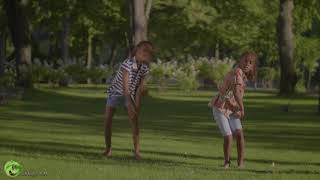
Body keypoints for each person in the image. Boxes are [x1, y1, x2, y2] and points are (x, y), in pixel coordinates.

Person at [103, 41, 154, 160]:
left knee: (134, 122)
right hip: (116, 92)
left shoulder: (144, 69)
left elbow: (139, 89)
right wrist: (129, 103)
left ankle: (137, 152)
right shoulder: (127, 63)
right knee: (107, 121)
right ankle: (108, 149)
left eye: (148, 53)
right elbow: (125, 87)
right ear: (137, 50)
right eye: (143, 52)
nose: (145, 55)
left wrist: (136, 106)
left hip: (130, 94)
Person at [208, 52, 257, 168]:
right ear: (240, 60)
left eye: (250, 63)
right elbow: (236, 93)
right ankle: (227, 163)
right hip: (221, 107)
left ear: (252, 66)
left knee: (239, 134)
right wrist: (242, 108)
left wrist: (237, 107)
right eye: (245, 60)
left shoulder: (241, 75)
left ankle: (240, 164)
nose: (247, 64)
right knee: (229, 136)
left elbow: (234, 93)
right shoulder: (237, 72)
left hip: (232, 108)